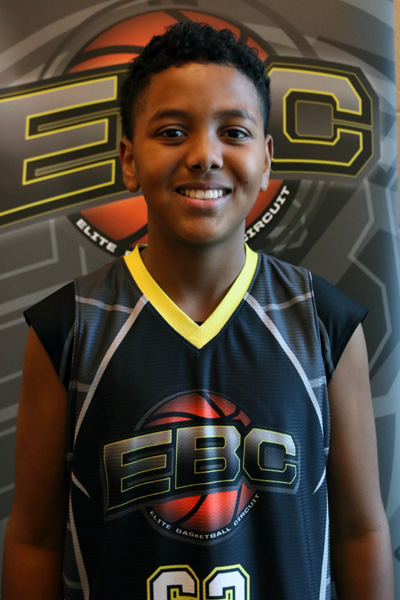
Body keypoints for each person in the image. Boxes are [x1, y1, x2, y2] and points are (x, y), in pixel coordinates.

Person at [2, 22, 394, 600]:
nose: (204, 155)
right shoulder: (69, 328)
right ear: (129, 160)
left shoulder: (323, 323)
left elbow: (361, 530)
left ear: (266, 160)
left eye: (233, 132)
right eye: (172, 132)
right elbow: (34, 539)